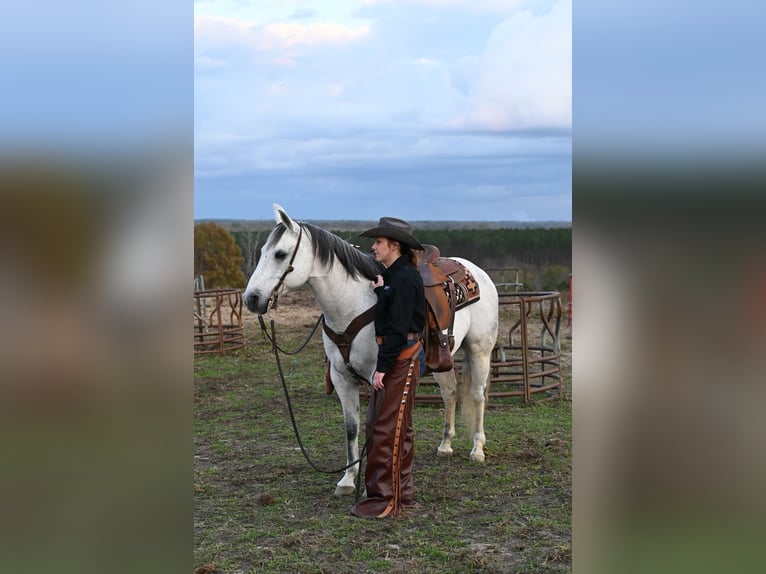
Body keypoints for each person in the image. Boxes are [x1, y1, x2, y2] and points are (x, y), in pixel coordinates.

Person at [351, 217, 427, 519]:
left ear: (394, 245)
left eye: (378, 242)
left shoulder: (406, 277)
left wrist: (381, 367)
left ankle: (386, 499)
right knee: (391, 425)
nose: (373, 247)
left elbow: (398, 328)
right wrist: (383, 291)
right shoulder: (395, 275)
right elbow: (394, 312)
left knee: (387, 428)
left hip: (400, 357)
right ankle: (400, 493)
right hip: (395, 355)